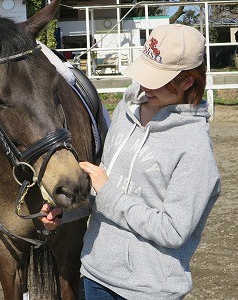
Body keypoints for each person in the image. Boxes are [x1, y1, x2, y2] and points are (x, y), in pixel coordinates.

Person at [40, 24, 221, 300]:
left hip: (149, 289)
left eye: (158, 79)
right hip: (96, 273)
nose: (146, 85)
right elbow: (105, 187)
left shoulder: (195, 150)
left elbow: (173, 230)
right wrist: (68, 213)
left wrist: (109, 193)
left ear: (188, 82)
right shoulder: (126, 110)